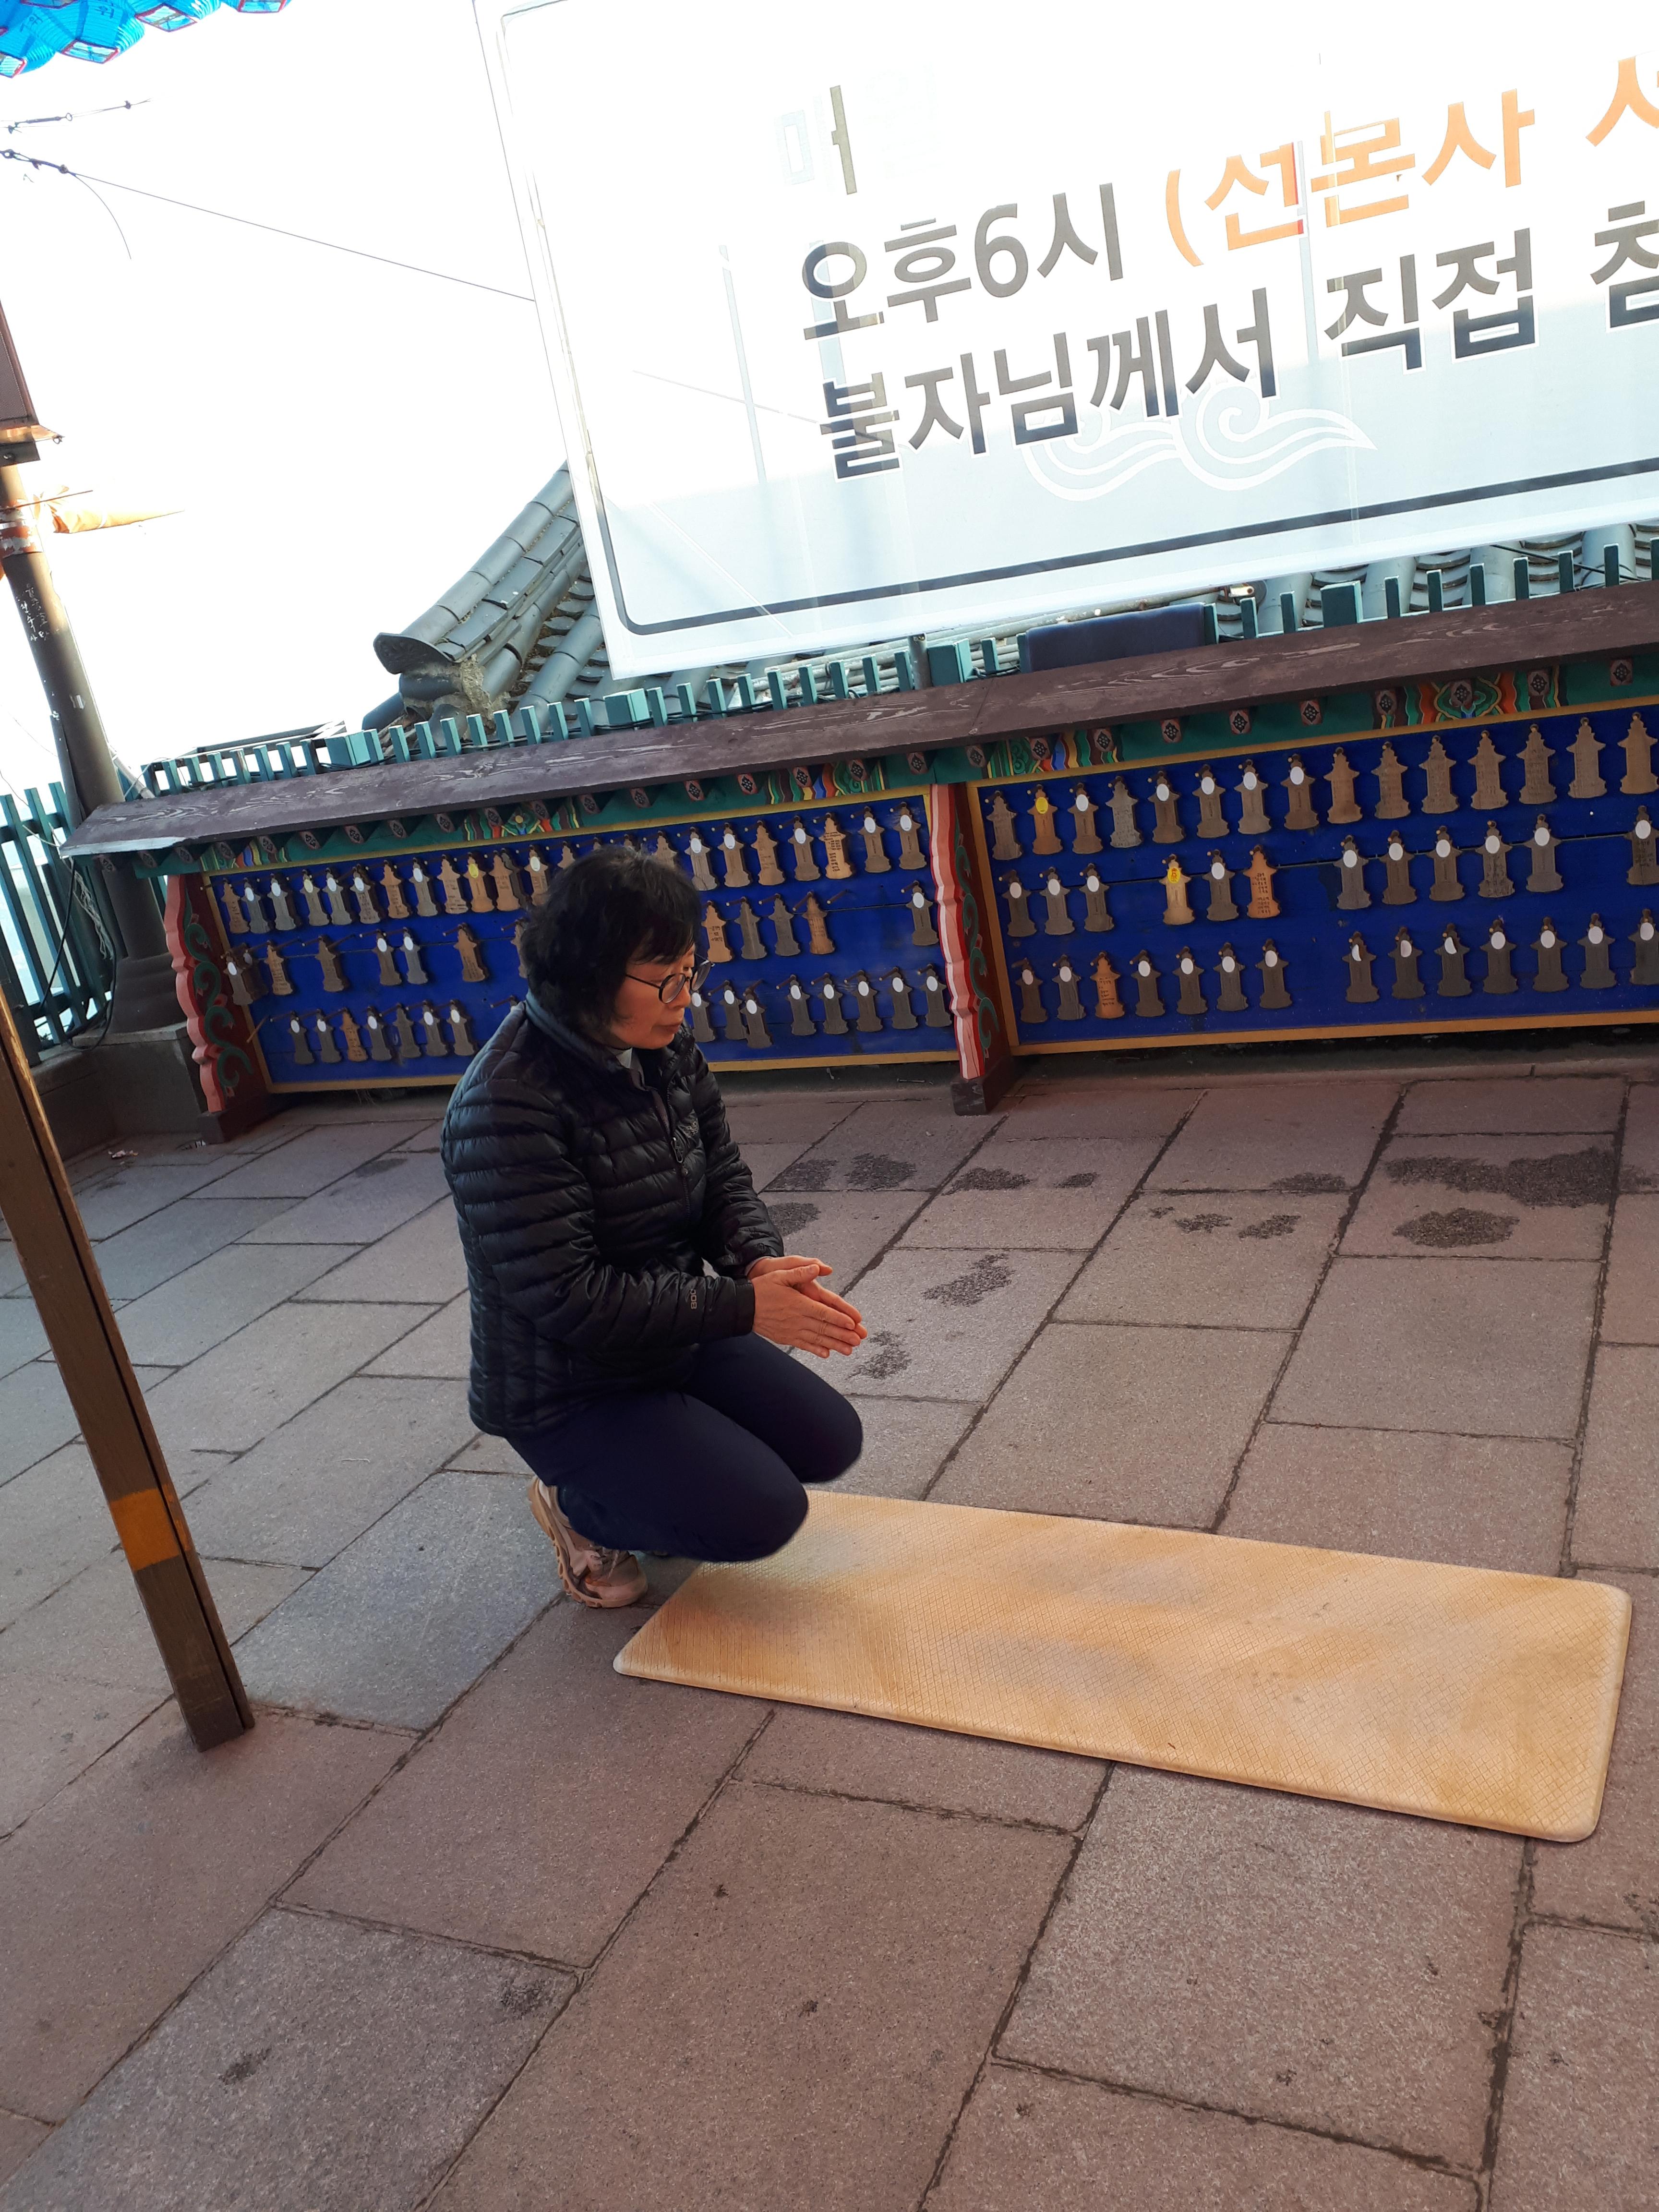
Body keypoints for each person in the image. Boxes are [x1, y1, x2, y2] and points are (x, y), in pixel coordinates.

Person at [441, 845, 866, 1608]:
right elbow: (569, 1297)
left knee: (830, 1441)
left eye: (691, 972)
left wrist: (756, 1262)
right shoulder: (505, 1105)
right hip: (568, 1384)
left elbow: (721, 1176)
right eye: (667, 980)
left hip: (670, 1332)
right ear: (591, 975)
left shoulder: (661, 1048)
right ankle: (578, 1508)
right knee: (763, 1515)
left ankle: (660, 1477)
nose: (685, 999)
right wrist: (743, 1308)